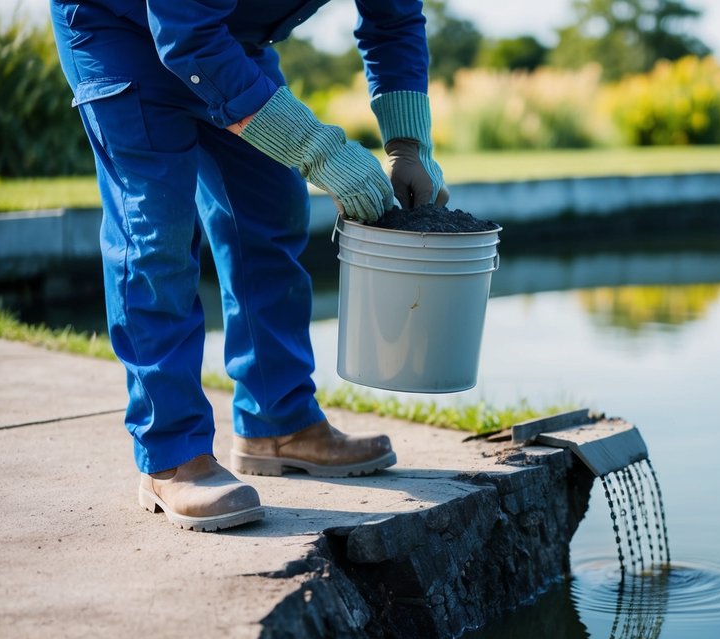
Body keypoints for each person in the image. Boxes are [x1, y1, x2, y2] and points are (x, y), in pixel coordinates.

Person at [49, 1, 448, 532]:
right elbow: (185, 34)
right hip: (119, 31)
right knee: (157, 237)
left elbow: (393, 19)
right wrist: (316, 148)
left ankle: (277, 423)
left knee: (271, 209)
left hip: (226, 42)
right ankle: (171, 455)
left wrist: (407, 144)